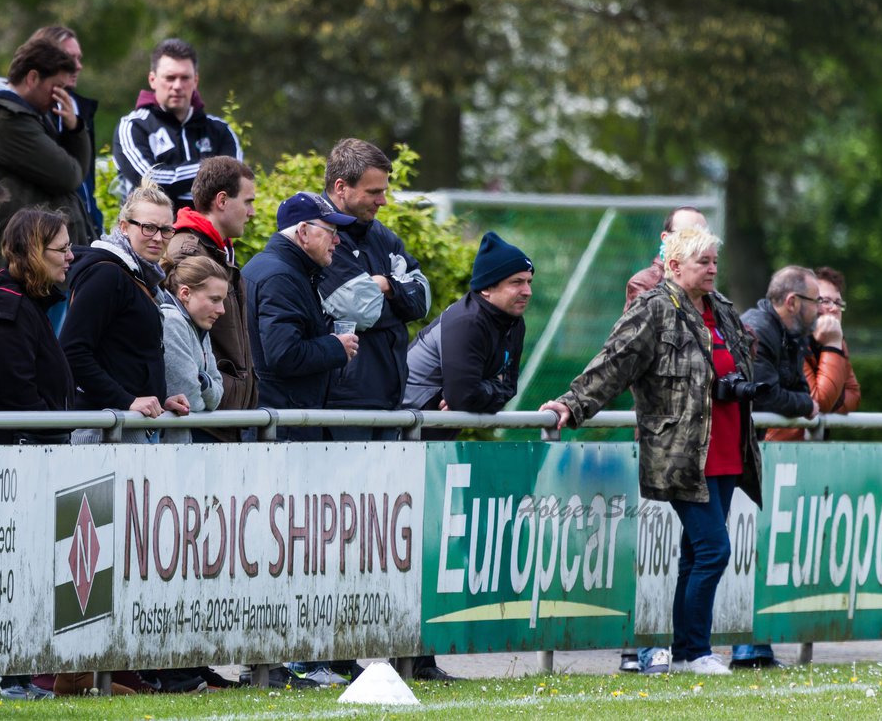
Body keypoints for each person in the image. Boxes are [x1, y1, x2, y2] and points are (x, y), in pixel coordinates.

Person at [539, 228, 761, 677]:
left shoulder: (723, 311)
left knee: (697, 554)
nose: (713, 269)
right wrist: (572, 403)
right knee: (715, 550)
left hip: (727, 448)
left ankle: (683, 651)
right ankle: (697, 651)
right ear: (675, 266)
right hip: (683, 453)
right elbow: (613, 363)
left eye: (715, 261)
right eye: (704, 262)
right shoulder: (654, 308)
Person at [620, 205, 706, 676]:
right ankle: (641, 645)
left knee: (692, 548)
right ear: (667, 240)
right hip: (661, 437)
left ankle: (676, 643)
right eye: (687, 235)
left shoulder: (707, 290)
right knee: (652, 546)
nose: (699, 247)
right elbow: (628, 356)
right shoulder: (647, 285)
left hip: (699, 440)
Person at [732, 265, 822, 668]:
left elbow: (801, 390)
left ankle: (755, 645)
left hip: (758, 457)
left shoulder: (791, 336)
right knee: (732, 552)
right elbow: (765, 397)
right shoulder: (757, 329)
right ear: (792, 302)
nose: (820, 309)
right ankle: (739, 646)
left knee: (759, 551)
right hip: (739, 457)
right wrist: (804, 406)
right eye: (816, 301)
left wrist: (802, 401)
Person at [60, 178, 189, 443]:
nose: (158, 237)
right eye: (148, 227)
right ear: (124, 227)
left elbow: (124, 357)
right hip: (104, 429)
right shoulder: (107, 275)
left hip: (128, 426)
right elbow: (72, 350)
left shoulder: (141, 277)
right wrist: (126, 400)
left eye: (166, 230)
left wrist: (159, 397)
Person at [319, 139, 430, 443]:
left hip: (389, 399)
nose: (383, 201)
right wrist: (397, 290)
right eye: (374, 192)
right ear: (341, 187)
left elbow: (421, 298)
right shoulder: (319, 234)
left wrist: (384, 284)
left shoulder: (383, 236)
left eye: (384, 191)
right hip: (342, 404)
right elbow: (359, 311)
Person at [0, 37, 94, 273]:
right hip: (27, 261)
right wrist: (75, 129)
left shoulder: (26, 115)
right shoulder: (9, 122)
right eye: (57, 87)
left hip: (38, 257)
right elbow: (71, 175)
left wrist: (73, 128)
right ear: (32, 78)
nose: (60, 96)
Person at [243, 192, 357, 443]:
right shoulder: (281, 277)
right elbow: (283, 355)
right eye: (331, 231)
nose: (337, 240)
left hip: (273, 420)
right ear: (303, 232)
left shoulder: (270, 267)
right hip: (282, 426)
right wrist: (336, 346)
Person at [166, 156, 257, 442]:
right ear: (221, 200)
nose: (252, 212)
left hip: (223, 413)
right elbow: (176, 337)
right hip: (201, 419)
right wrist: (206, 387)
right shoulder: (187, 252)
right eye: (247, 201)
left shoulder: (220, 251)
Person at [404, 232, 532, 419]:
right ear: (487, 288)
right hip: (402, 431)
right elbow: (464, 396)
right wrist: (485, 389)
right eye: (517, 283)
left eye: (529, 282)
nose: (527, 291)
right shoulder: (467, 322)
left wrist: (477, 393)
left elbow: (509, 388)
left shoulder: (514, 323)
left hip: (431, 430)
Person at [111, 38, 242, 208]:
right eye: (170, 78)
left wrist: (174, 178)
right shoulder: (133, 126)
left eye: (185, 78)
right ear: (153, 80)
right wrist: (213, 170)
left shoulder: (220, 130)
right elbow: (149, 181)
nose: (177, 85)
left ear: (195, 81)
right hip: (154, 232)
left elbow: (234, 181)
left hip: (210, 233)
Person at [0, 208, 76, 443]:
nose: (70, 256)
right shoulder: (10, 308)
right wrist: (53, 432)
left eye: (69, 247)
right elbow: (15, 393)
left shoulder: (30, 303)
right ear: (34, 253)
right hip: (23, 455)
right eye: (62, 249)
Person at [766, 265, 860, 441]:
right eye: (824, 301)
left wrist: (833, 345)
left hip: (810, 446)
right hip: (779, 448)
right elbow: (819, 400)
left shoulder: (836, 341)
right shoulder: (792, 340)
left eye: (838, 302)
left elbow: (854, 396)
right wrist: (831, 346)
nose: (833, 308)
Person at [28, 25, 104, 237]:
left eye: (79, 58)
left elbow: (87, 181)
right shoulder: (28, 112)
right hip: (47, 234)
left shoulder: (81, 108)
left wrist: (95, 222)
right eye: (70, 58)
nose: (78, 66)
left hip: (87, 228)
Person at [158, 255, 227, 443]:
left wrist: (202, 380)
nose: (222, 310)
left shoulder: (199, 324)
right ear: (185, 293)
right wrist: (206, 385)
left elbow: (218, 395)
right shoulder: (172, 322)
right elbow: (190, 400)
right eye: (215, 299)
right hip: (164, 448)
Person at [626, 206, 709, 306]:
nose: (698, 241)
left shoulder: (706, 280)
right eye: (687, 234)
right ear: (665, 238)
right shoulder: (645, 283)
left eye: (703, 235)